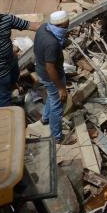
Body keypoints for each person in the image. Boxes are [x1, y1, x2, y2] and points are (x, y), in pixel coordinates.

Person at [34, 10, 71, 143]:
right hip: (51, 76)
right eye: (67, 25)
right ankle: (57, 137)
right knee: (58, 104)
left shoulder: (44, 27)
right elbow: (51, 68)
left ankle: (45, 118)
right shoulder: (52, 43)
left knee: (51, 95)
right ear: (63, 25)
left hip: (40, 69)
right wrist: (61, 87)